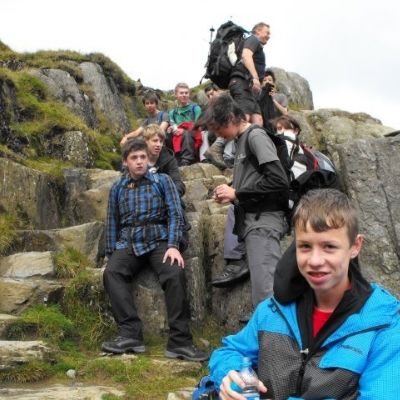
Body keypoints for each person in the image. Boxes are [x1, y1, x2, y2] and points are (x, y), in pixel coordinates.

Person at [208, 189, 400, 399]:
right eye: (305, 246)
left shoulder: (384, 323)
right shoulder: (273, 310)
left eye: (329, 247)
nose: (315, 261)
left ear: (355, 246)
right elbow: (230, 351)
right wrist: (230, 374)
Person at [102, 139, 208, 362]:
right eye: (134, 158)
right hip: (130, 241)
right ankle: (130, 334)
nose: (139, 161)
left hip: (159, 239)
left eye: (143, 157)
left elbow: (175, 214)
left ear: (148, 159)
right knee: (112, 273)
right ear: (125, 162)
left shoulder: (163, 180)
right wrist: (111, 254)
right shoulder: (118, 188)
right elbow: (112, 222)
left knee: (174, 273)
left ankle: (180, 342)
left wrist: (174, 245)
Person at [200, 93, 289, 308]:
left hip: (264, 222)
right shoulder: (240, 141)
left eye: (218, 127)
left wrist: (237, 194)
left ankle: (273, 330)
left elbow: (278, 180)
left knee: (267, 295)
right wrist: (231, 191)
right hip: (253, 223)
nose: (217, 134)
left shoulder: (255, 136)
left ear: (231, 117)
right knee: (263, 294)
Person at [229, 22, 271, 126]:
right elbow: (246, 55)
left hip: (248, 87)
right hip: (242, 82)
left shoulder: (254, 43)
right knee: (244, 117)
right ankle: (223, 136)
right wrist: (255, 78)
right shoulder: (253, 39)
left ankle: (251, 137)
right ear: (258, 31)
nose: (269, 36)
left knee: (257, 120)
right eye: (267, 33)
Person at [142, 123, 185, 197]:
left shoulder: (169, 159)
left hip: (166, 197)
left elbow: (178, 183)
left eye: (161, 141)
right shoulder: (136, 159)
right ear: (146, 141)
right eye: (155, 141)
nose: (158, 145)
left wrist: (170, 196)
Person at [167, 82, 202, 166]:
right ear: (176, 94)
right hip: (177, 135)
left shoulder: (196, 108)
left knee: (186, 134)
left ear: (189, 94)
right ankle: (169, 161)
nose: (184, 95)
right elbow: (173, 125)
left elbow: (199, 126)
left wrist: (183, 130)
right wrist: (171, 129)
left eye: (186, 93)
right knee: (165, 136)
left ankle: (186, 161)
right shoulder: (172, 113)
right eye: (181, 93)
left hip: (193, 134)